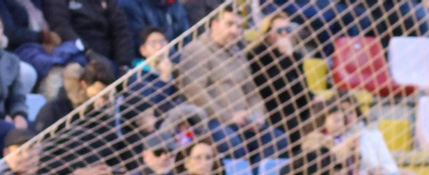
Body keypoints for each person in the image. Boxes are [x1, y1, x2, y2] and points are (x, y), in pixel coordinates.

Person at [176, 7, 288, 162]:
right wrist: (228, 117)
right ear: (214, 25)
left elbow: (251, 92)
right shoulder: (196, 50)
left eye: (239, 27)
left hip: (244, 120)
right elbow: (195, 92)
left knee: (279, 141)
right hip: (211, 121)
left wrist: (257, 117)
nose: (235, 31)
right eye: (229, 24)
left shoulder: (238, 53)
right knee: (232, 144)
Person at [247, 13, 313, 147]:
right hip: (271, 107)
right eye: (278, 30)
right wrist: (286, 58)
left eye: (287, 30)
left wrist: (314, 99)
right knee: (292, 122)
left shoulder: (295, 55)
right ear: (268, 32)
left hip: (296, 106)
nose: (283, 33)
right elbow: (273, 87)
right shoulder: (257, 54)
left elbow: (302, 89)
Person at [42, 0, 133, 73]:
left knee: (136, 83)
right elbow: (61, 27)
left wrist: (123, 64)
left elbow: (121, 29)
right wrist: (88, 52)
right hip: (78, 58)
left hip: (111, 60)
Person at [0, 14, 31, 148]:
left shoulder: (11, 60)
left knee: (36, 129)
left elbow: (17, 95)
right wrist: (2, 116)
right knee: (11, 133)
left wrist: (19, 115)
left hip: (6, 119)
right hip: (0, 120)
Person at [117, 0, 186, 45]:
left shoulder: (173, 4)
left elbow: (185, 35)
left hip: (171, 55)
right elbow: (139, 40)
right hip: (146, 61)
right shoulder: (129, 4)